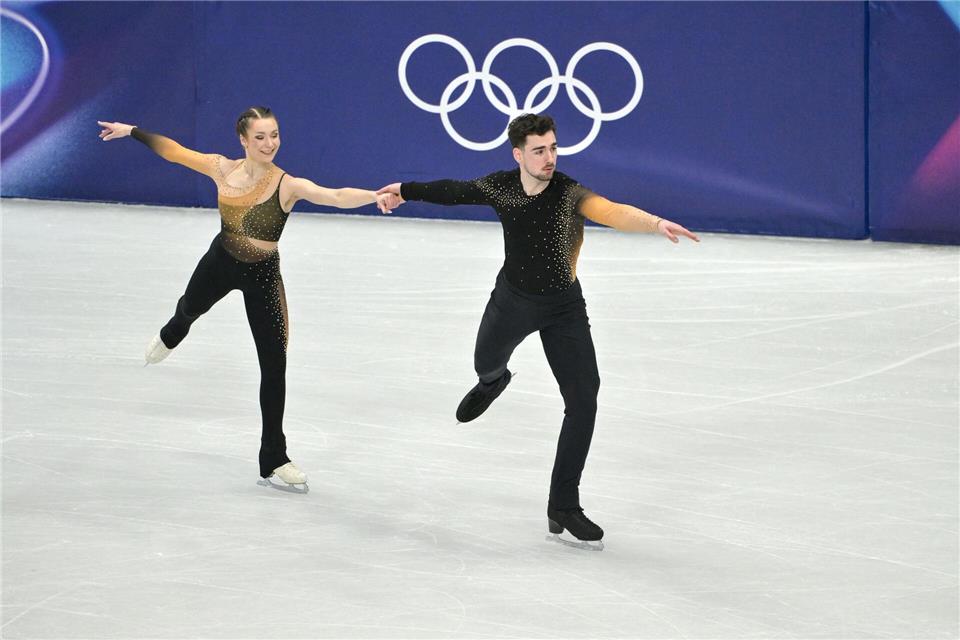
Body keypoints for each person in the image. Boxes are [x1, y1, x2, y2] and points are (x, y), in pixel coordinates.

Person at [377, 113, 698, 549]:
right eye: (539, 150)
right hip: (511, 301)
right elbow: (454, 191)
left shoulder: (568, 193)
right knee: (484, 363)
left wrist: (654, 223)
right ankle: (495, 381)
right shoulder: (501, 187)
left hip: (563, 307)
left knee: (584, 400)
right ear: (518, 154)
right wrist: (404, 190)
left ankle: (563, 504)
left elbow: (611, 211)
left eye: (553, 148)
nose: (549, 157)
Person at [98, 107, 401, 491]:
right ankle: (173, 333)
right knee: (188, 309)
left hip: (263, 278)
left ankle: (274, 457)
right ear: (243, 140)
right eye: (260, 137)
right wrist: (132, 131)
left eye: (274, 135)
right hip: (220, 262)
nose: (269, 144)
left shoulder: (285, 184)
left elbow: (333, 195)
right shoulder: (221, 168)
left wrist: (373, 196)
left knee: (274, 368)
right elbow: (174, 151)